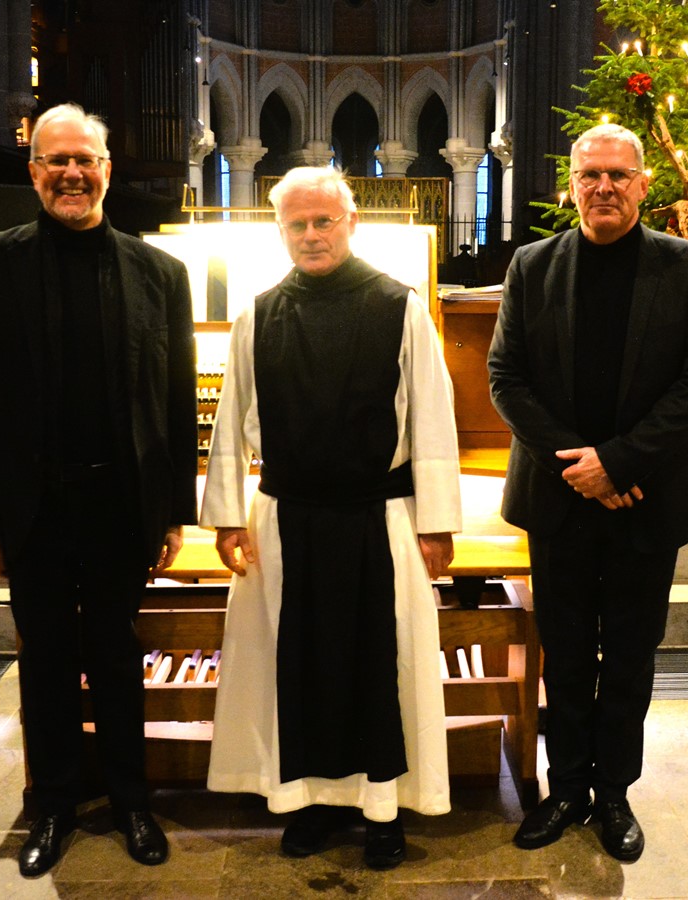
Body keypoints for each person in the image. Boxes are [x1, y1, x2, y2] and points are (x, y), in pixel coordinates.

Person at [0, 102, 197, 877]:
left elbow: (177, 400)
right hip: (33, 506)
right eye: (57, 161)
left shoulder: (161, 272)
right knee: (48, 660)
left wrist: (174, 510)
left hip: (121, 503)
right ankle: (53, 805)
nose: (72, 173)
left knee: (119, 657)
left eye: (85, 160)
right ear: (33, 172)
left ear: (107, 170)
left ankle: (131, 801)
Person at [200, 166, 461, 870]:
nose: (311, 235)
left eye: (324, 221)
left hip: (379, 518)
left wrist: (438, 523)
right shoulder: (260, 312)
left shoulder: (396, 306)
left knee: (381, 665)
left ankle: (383, 810)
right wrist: (227, 515)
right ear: (279, 230)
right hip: (286, 520)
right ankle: (307, 801)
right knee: (298, 664)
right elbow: (232, 419)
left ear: (350, 222)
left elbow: (432, 417)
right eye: (297, 224)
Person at [487, 123, 688, 861]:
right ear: (572, 184)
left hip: (646, 497)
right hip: (560, 500)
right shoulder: (532, 266)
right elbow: (506, 378)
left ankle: (615, 793)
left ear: (644, 185)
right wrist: (580, 470)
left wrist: (617, 464)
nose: (603, 188)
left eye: (618, 175)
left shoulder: (687, 268)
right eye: (590, 175)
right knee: (562, 649)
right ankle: (565, 789)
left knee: (628, 651)